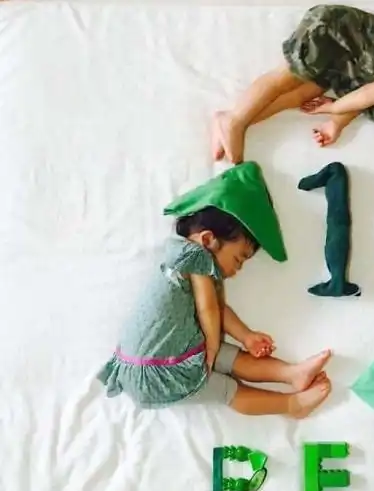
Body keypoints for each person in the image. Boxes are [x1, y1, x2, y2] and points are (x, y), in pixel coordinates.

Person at [97, 163, 332, 418]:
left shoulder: (193, 262)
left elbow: (217, 309)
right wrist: (210, 349)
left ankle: (292, 374)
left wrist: (246, 336)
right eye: (239, 259)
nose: (238, 269)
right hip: (154, 371)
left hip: (160, 355)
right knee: (225, 388)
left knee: (229, 355)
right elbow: (208, 309)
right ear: (208, 239)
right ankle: (291, 406)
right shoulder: (191, 254)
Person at [211, 4, 374, 168]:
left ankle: (237, 120)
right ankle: (236, 119)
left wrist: (335, 123)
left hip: (346, 68)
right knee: (287, 77)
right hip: (340, 35)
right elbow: (370, 94)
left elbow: (364, 102)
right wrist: (335, 108)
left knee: (304, 94)